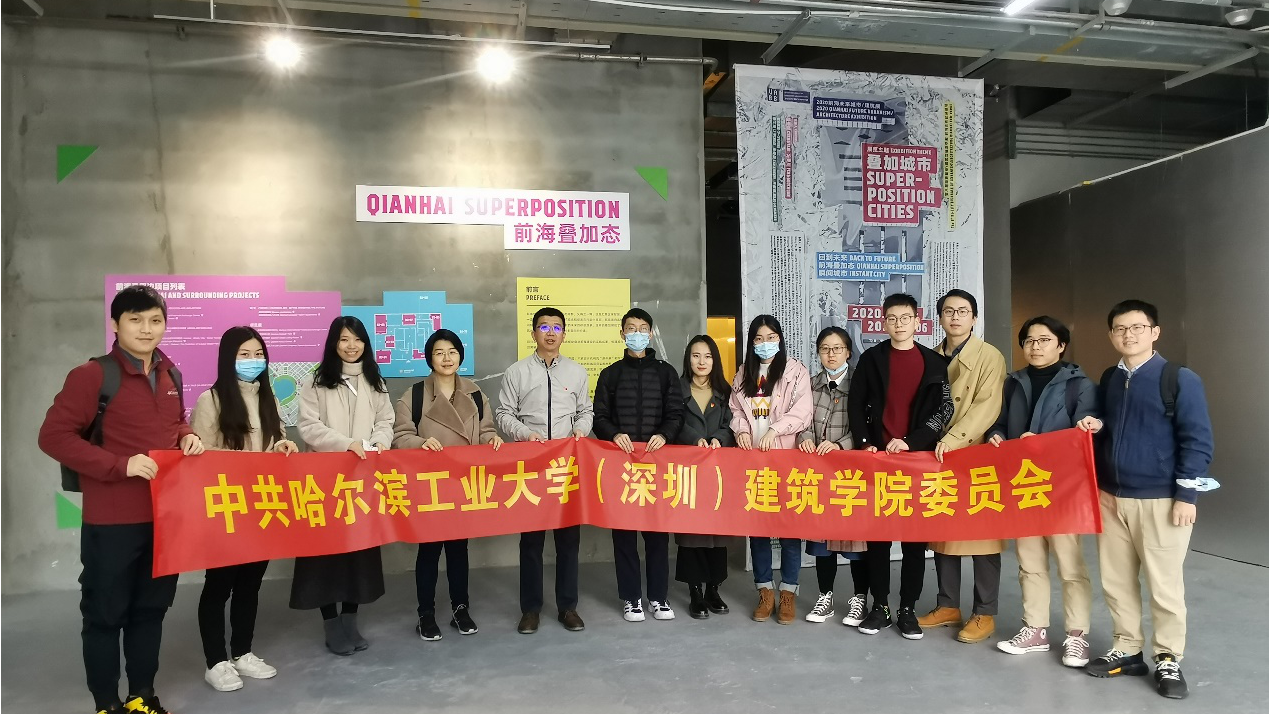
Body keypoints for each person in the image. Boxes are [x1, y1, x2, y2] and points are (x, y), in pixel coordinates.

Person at [39, 285, 205, 714]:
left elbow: (174, 423)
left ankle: (141, 696)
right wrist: (120, 465)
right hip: (112, 519)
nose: (146, 329)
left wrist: (188, 436)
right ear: (115, 324)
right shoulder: (93, 375)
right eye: (135, 320)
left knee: (151, 610)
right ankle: (106, 703)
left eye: (155, 320)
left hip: (164, 517)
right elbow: (53, 436)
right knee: (104, 614)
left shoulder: (171, 374)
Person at [1083, 300, 1215, 700]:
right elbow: (1114, 427)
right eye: (1120, 329)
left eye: (1137, 327)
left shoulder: (1178, 378)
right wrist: (1098, 425)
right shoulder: (1111, 377)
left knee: (1164, 585)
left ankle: (1168, 657)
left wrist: (1187, 495)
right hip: (1111, 496)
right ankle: (1127, 648)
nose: (1129, 335)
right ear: (1111, 335)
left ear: (1155, 332)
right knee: (1116, 580)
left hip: (1161, 499)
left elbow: (1197, 440)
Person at [190, 327, 297, 691]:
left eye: (258, 354)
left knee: (250, 583)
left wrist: (283, 446)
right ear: (228, 358)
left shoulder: (269, 397)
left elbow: (278, 438)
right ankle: (215, 661)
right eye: (244, 355)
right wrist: (241, 464)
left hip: (261, 505)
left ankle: (242, 652)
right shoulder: (211, 400)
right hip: (227, 507)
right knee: (219, 585)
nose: (253, 361)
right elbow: (200, 454)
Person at [989, 316, 1097, 668]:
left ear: (1061, 345)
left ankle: (1077, 635)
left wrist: (1042, 444)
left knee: (1070, 564)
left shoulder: (1079, 385)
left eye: (1044, 340)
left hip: (1063, 487)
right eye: (1029, 340)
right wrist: (997, 435)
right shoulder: (1013, 382)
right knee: (1030, 562)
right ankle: (1035, 629)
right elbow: (1000, 421)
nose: (1035, 346)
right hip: (1024, 484)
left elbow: (1085, 434)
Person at [847, 292, 954, 640]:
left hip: (917, 461)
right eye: (891, 318)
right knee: (877, 538)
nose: (898, 324)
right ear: (883, 322)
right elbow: (856, 404)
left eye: (905, 318)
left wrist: (912, 440)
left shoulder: (934, 362)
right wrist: (866, 443)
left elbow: (944, 410)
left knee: (914, 540)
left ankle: (908, 608)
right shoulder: (872, 358)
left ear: (917, 321)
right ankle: (880, 606)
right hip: (878, 461)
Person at [392, 329, 503, 641]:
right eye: (439, 352)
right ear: (430, 358)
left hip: (463, 483)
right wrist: (420, 442)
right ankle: (425, 614)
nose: (446, 358)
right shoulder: (414, 396)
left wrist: (492, 439)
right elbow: (399, 437)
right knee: (429, 550)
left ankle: (460, 609)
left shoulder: (476, 395)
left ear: (460, 356)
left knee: (458, 550)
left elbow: (486, 430)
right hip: (429, 485)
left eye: (452, 351)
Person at [292, 316, 393, 656]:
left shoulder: (375, 380)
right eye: (344, 339)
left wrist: (377, 443)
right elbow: (308, 427)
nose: (352, 346)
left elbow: (386, 420)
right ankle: (331, 623)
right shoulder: (316, 381)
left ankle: (351, 619)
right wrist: (346, 444)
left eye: (358, 339)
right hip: (324, 480)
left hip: (362, 478)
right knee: (326, 554)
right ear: (334, 343)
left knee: (359, 552)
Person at [496, 307, 594, 635]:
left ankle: (568, 607)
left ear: (564, 334)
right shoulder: (517, 372)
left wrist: (581, 429)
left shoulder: (577, 372)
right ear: (533, 333)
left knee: (568, 540)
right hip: (531, 466)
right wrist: (525, 434)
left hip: (566, 466)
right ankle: (531, 609)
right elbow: (503, 413)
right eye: (544, 327)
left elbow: (586, 410)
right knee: (531, 541)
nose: (550, 333)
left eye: (556, 327)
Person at [920, 290, 1007, 644]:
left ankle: (984, 612)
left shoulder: (990, 356)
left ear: (974, 318)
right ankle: (947, 605)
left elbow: (987, 406)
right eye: (948, 311)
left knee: (983, 536)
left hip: (976, 453)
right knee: (943, 531)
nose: (955, 317)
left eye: (963, 311)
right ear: (939, 317)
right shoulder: (929, 356)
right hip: (938, 455)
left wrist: (954, 438)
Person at [593, 308, 684, 623]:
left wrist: (664, 434)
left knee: (657, 535)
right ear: (622, 334)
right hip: (622, 466)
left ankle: (658, 597)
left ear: (651, 333)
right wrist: (613, 434)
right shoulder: (611, 374)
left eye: (643, 328)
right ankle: (631, 598)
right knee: (624, 535)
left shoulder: (666, 373)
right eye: (631, 329)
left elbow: (676, 413)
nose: (637, 334)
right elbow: (599, 416)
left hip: (657, 466)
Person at [729, 314, 813, 625]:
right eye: (759, 338)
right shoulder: (744, 373)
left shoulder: (795, 371)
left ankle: (788, 592)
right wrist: (740, 429)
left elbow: (803, 412)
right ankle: (765, 591)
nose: (765, 344)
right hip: (754, 462)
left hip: (786, 461)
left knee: (790, 529)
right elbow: (735, 410)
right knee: (759, 529)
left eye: (771, 337)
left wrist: (775, 430)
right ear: (752, 343)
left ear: (780, 339)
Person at [799, 326, 868, 627]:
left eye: (837, 348)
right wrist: (804, 437)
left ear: (848, 352)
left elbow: (866, 426)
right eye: (825, 349)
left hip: (851, 475)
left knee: (855, 542)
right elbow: (800, 420)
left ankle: (859, 598)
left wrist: (840, 446)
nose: (831, 354)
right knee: (822, 539)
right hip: (819, 474)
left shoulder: (860, 385)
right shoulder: (810, 385)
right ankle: (825, 596)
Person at [672, 335, 735, 620]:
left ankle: (714, 589)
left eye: (708, 356)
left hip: (718, 472)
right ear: (688, 359)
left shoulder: (725, 391)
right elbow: (673, 421)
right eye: (696, 355)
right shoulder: (676, 389)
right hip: (689, 470)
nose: (701, 361)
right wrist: (693, 439)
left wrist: (720, 438)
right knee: (691, 533)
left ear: (715, 360)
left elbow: (732, 424)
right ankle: (695, 592)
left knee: (717, 533)